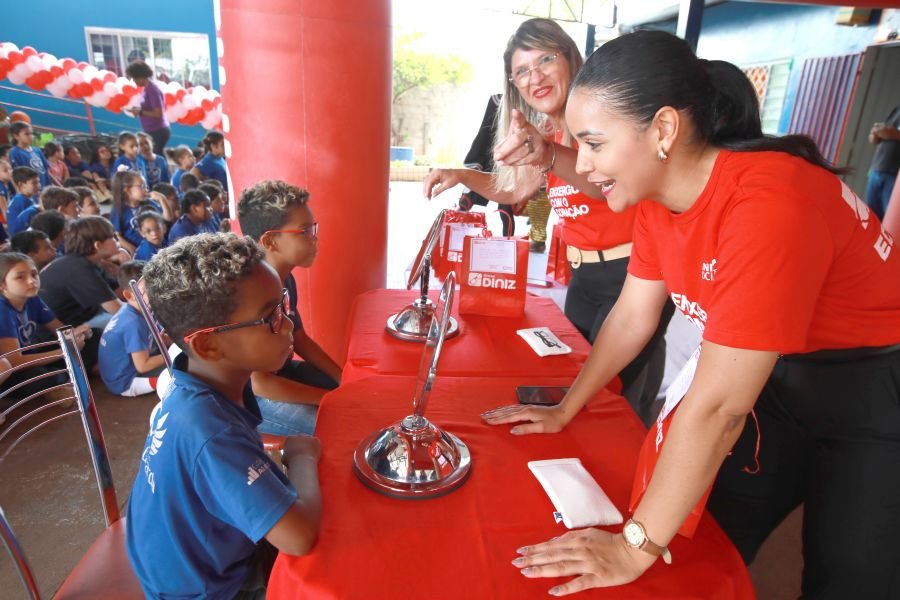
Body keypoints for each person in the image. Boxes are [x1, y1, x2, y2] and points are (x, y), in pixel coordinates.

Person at [482, 30, 900, 598]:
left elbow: (722, 404)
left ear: (663, 130)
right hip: (779, 377)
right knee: (696, 533)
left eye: (595, 144)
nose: (582, 164)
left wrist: (633, 547)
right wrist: (566, 406)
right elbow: (632, 317)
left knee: (849, 575)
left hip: (874, 391)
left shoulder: (767, 204)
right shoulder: (660, 200)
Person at [424, 19, 672, 423]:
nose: (534, 76)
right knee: (567, 384)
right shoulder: (548, 134)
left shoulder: (603, 121)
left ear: (571, 59)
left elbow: (603, 183)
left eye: (545, 59)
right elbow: (516, 191)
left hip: (630, 274)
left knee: (612, 403)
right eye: (522, 70)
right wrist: (462, 175)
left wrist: (548, 153)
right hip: (584, 277)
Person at [126, 233, 322, 598]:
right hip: (210, 589)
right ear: (209, 344)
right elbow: (299, 537)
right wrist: (302, 457)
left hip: (192, 559)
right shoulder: (210, 431)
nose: (288, 325)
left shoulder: (203, 382)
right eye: (269, 317)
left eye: (282, 306)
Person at [238, 180, 342, 436]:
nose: (314, 238)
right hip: (249, 396)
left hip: (282, 373)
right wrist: (328, 398)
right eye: (304, 231)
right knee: (339, 426)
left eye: (313, 228)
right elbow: (258, 382)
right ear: (271, 241)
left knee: (359, 396)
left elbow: (299, 337)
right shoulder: (249, 293)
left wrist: (344, 380)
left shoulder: (285, 278)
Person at [0, 252, 95, 401]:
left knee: (94, 335)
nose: (32, 281)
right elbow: (14, 361)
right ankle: (64, 380)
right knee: (43, 377)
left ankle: (64, 380)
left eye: (34, 274)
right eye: (20, 277)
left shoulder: (32, 299)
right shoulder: (2, 309)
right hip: (12, 372)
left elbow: (61, 331)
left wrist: (77, 334)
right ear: (2, 284)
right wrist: (63, 352)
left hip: (32, 358)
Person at [39, 216, 122, 330]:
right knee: (129, 321)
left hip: (87, 317)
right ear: (98, 245)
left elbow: (121, 292)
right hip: (64, 332)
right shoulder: (78, 268)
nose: (118, 240)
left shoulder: (90, 262)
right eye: (114, 237)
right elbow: (118, 310)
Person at [98, 261, 165, 397]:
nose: (156, 292)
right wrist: (173, 354)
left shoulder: (139, 310)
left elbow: (161, 336)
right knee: (183, 371)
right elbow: (143, 365)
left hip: (129, 371)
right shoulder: (132, 322)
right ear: (129, 295)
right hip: (127, 382)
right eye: (149, 290)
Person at [109, 169, 164, 254]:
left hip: (157, 247)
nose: (146, 190)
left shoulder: (149, 202)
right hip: (138, 252)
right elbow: (117, 236)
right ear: (127, 189)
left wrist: (162, 199)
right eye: (141, 186)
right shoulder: (119, 210)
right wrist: (135, 251)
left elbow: (166, 218)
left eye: (146, 186)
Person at [124, 61, 171, 155]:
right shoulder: (146, 88)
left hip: (158, 130)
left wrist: (140, 112)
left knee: (156, 156)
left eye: (134, 79)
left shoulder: (153, 90)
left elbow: (158, 113)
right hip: (152, 129)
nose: (134, 81)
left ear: (141, 77)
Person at [865, 103, 900, 220]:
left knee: (890, 221)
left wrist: (892, 133)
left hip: (894, 176)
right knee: (871, 217)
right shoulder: (897, 108)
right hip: (877, 169)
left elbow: (889, 132)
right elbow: (876, 134)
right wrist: (875, 134)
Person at [8, 122, 51, 188]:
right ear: (16, 136)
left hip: (45, 188)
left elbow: (46, 170)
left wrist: (56, 185)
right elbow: (16, 175)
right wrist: (20, 191)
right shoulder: (14, 152)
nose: (31, 136)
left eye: (31, 133)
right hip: (30, 190)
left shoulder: (37, 150)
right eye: (27, 134)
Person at [7, 166, 41, 236]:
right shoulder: (19, 201)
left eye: (38, 182)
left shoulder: (32, 197)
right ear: (21, 185)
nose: (39, 185)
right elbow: (16, 229)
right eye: (34, 183)